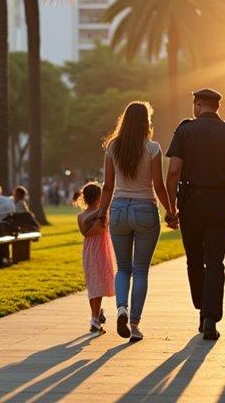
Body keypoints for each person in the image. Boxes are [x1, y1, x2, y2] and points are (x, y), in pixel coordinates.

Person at [166, 88, 225, 341]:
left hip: (191, 203)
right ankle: (210, 318)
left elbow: (173, 172)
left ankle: (202, 309)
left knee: (194, 259)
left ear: (197, 105)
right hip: (220, 203)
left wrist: (171, 208)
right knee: (215, 260)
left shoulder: (184, 131)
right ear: (218, 107)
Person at [96, 101, 174, 343]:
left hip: (119, 209)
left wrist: (101, 213)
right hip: (145, 210)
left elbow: (108, 186)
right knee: (140, 270)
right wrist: (171, 211)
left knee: (123, 268)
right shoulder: (152, 148)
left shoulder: (113, 147)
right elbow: (158, 185)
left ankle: (121, 307)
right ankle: (135, 324)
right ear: (145, 122)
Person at [76, 182, 114, 334]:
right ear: (100, 197)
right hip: (99, 249)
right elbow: (93, 231)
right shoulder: (102, 213)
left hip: (90, 249)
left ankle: (96, 315)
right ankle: (94, 318)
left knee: (94, 284)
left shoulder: (82, 216)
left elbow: (88, 230)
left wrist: (92, 218)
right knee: (96, 284)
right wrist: (99, 213)